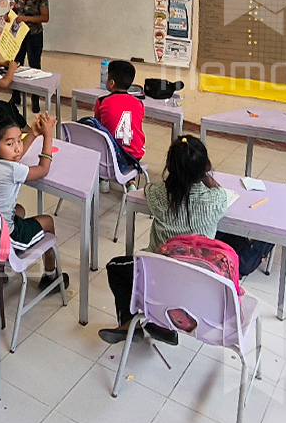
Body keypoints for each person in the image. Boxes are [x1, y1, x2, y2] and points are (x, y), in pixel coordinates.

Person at [97, 135, 236, 346]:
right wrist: (207, 177)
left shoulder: (160, 195)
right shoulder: (215, 200)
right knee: (166, 277)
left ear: (169, 166)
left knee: (116, 267)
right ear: (205, 168)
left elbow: (150, 191)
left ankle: (131, 324)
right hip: (196, 283)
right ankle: (160, 325)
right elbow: (220, 191)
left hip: (157, 276)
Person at [0, 112, 69, 290]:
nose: (18, 148)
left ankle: (0, 272)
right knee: (48, 221)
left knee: (20, 209)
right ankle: (50, 277)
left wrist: (33, 132)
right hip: (5, 237)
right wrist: (48, 135)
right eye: (10, 143)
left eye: (19, 140)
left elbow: (14, 155)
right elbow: (43, 169)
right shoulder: (11, 170)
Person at [94, 60, 145, 192]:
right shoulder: (139, 103)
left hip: (111, 155)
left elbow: (98, 127)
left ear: (111, 83)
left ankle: (104, 179)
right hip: (135, 156)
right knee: (128, 144)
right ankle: (130, 181)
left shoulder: (101, 101)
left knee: (101, 139)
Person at [9, 0, 49, 112]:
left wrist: (25, 18)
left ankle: (35, 99)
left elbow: (45, 17)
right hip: (18, 35)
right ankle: (15, 95)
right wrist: (9, 15)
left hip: (34, 35)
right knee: (15, 64)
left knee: (34, 66)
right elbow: (15, 9)